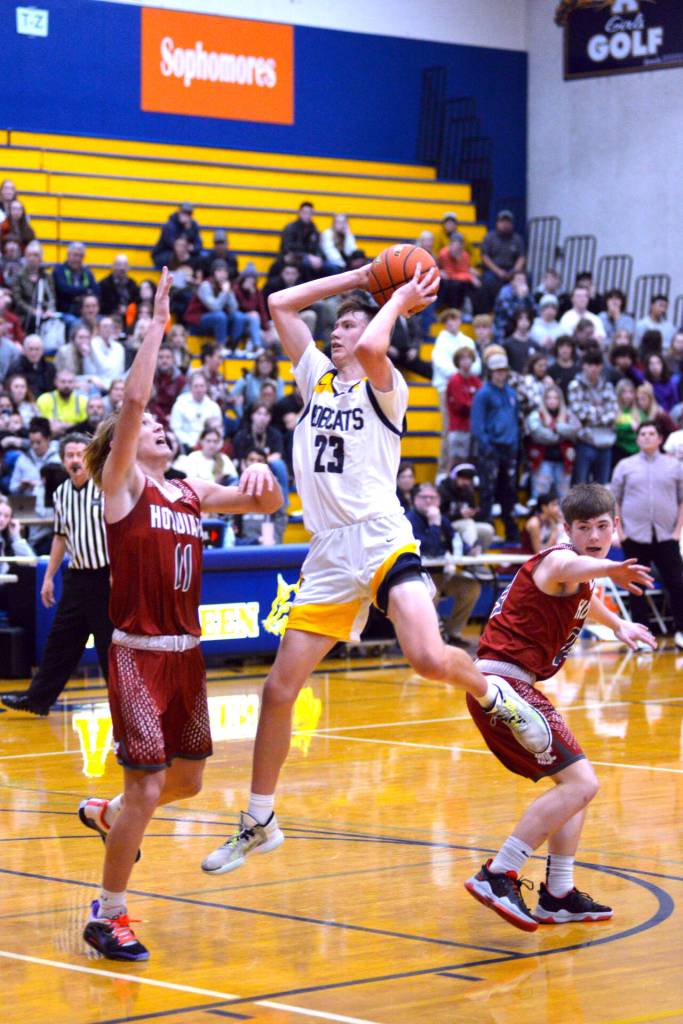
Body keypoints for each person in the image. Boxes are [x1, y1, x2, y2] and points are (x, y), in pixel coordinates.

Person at [201, 260, 553, 876]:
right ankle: (259, 820)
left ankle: (494, 691)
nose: (339, 333)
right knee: (278, 689)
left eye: (350, 325)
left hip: (381, 535)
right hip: (330, 552)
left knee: (424, 656)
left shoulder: (385, 387)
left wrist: (393, 303)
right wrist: (361, 275)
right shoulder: (315, 380)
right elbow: (282, 302)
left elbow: (370, 345)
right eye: (335, 327)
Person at [75, 268, 282, 962]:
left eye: (166, 427)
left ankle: (111, 818)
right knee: (150, 783)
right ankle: (109, 915)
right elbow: (133, 402)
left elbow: (265, 507)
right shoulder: (122, 484)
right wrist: (155, 330)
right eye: (151, 428)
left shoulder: (189, 491)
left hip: (185, 654)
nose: (159, 427)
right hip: (136, 650)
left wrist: (262, 479)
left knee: (187, 781)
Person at [464, 483, 656, 931]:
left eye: (603, 526)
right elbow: (573, 566)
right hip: (502, 683)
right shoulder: (558, 560)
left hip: (515, 683)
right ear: (566, 529)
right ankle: (499, 873)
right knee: (581, 784)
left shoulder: (579, 578)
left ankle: (557, 893)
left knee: (576, 782)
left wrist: (621, 624)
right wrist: (611, 566)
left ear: (615, 526)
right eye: (583, 526)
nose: (594, 533)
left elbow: (584, 602)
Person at [1, 433, 113, 715]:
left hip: (107, 577)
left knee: (109, 646)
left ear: (90, 457)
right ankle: (38, 700)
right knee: (60, 642)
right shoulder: (61, 493)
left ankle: (122, 706)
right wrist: (49, 577)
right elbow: (60, 537)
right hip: (76, 576)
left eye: (80, 454)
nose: (75, 460)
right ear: (63, 460)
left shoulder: (106, 487)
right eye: (69, 456)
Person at [611, 420, 683, 648]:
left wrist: (677, 531)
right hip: (634, 536)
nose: (647, 437)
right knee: (636, 587)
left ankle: (681, 631)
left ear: (660, 439)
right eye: (643, 434)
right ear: (637, 438)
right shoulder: (624, 465)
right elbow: (615, 501)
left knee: (677, 583)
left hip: (667, 535)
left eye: (651, 433)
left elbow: (682, 501)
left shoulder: (675, 466)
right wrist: (620, 532)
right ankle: (641, 634)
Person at [405, 482, 481, 649]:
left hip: (441, 575)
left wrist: (470, 550)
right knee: (432, 593)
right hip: (419, 577)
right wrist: (434, 524)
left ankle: (452, 633)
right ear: (414, 500)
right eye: (424, 497)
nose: (429, 501)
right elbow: (429, 549)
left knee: (471, 587)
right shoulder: (409, 520)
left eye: (433, 497)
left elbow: (455, 540)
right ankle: (429, 639)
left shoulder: (441, 519)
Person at [471, 351, 520, 542]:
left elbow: (515, 420)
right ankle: (487, 533)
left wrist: (514, 443)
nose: (500, 374)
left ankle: (510, 531)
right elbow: (477, 425)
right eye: (497, 370)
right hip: (491, 448)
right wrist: (486, 446)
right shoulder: (483, 394)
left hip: (508, 448)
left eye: (503, 370)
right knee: (487, 491)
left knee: (508, 491)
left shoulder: (511, 392)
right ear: (491, 372)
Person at [567, 349, 618, 484]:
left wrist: (591, 413)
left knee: (601, 489)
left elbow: (613, 413)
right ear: (584, 365)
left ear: (601, 366)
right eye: (590, 365)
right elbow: (579, 413)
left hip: (606, 442)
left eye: (596, 365)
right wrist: (601, 412)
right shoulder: (575, 385)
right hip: (585, 442)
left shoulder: (607, 386)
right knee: (581, 486)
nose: (593, 369)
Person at [525, 383, 577, 498]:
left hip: (564, 462)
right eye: (549, 397)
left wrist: (555, 427)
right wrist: (561, 434)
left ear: (561, 400)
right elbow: (538, 434)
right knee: (540, 496)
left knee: (564, 498)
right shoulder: (536, 415)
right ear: (544, 399)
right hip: (542, 461)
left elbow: (575, 431)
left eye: (555, 398)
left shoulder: (568, 414)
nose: (552, 401)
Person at [439, 463, 495, 556]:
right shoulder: (443, 490)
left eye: (468, 479)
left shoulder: (469, 492)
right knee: (468, 523)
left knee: (488, 530)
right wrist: (459, 515)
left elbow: (473, 517)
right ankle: (471, 560)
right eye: (463, 478)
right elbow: (439, 517)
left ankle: (478, 558)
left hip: (466, 526)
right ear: (454, 477)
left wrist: (475, 514)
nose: (466, 482)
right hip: (447, 526)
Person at [169, 371, 222, 452]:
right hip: (185, 446)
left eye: (202, 386)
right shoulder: (180, 404)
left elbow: (219, 431)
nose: (199, 389)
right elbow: (175, 428)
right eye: (196, 386)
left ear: (207, 387)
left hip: (209, 446)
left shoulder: (214, 407)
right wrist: (191, 443)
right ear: (190, 387)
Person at [446, 347, 481, 466]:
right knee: (457, 462)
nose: (466, 362)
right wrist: (475, 405)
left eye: (468, 358)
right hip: (458, 428)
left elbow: (481, 401)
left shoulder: (475, 380)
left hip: (473, 428)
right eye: (462, 359)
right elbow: (460, 405)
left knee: (472, 462)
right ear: (457, 362)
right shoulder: (455, 380)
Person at [480, 210, 526, 299]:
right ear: (497, 223)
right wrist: (498, 271)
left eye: (508, 222)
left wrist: (514, 272)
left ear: (512, 224)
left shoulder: (517, 239)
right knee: (488, 280)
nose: (505, 224)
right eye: (502, 221)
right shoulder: (490, 237)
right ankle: (494, 307)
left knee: (526, 277)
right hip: (494, 270)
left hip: (512, 270)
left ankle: (521, 307)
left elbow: (521, 257)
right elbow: (485, 257)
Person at [52, 242, 99, 330]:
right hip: (65, 311)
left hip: (86, 312)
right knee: (75, 324)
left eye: (80, 256)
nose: (77, 259)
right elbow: (64, 290)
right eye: (75, 255)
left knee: (102, 321)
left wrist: (77, 293)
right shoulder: (59, 270)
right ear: (68, 255)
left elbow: (96, 291)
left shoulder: (87, 273)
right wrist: (86, 291)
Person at [35, 368, 88, 437]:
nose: (66, 385)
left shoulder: (82, 401)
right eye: (63, 382)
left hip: (78, 438)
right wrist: (73, 425)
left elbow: (85, 426)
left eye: (70, 382)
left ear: (75, 383)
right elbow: (44, 426)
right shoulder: (44, 399)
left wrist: (62, 425)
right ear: (55, 382)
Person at [151, 202, 203, 270]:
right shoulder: (169, 225)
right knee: (176, 257)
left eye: (188, 214)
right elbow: (175, 246)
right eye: (183, 213)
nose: (185, 216)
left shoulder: (192, 225)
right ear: (179, 212)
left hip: (183, 253)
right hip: (164, 253)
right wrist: (187, 246)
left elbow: (199, 245)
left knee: (199, 259)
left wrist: (192, 247)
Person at [8, 333, 56, 398]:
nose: (34, 353)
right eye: (30, 349)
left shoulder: (49, 367)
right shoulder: (16, 367)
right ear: (24, 351)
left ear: (42, 351)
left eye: (37, 349)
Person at [98, 254, 140, 320]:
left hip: (129, 318)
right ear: (113, 266)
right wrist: (116, 310)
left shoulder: (133, 284)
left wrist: (128, 309)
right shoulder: (104, 284)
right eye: (119, 265)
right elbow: (100, 305)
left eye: (125, 265)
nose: (122, 268)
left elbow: (137, 303)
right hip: (108, 317)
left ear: (128, 268)